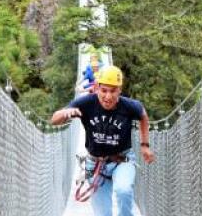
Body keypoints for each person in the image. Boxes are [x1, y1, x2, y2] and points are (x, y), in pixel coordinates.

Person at [51, 65, 155, 216]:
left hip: (122, 160)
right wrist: (65, 113)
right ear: (97, 88)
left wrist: (145, 145)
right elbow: (54, 120)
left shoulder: (129, 106)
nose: (108, 96)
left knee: (124, 190)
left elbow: (143, 116)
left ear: (120, 90)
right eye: (104, 90)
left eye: (113, 91)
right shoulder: (86, 103)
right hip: (95, 164)